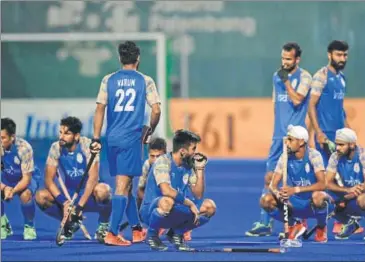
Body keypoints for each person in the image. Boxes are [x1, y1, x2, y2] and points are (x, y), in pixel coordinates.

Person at [91, 41, 161, 246]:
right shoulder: (145, 80)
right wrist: (150, 129)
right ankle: (111, 233)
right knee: (122, 186)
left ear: (120, 59)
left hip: (112, 138)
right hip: (131, 138)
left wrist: (96, 137)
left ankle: (137, 229)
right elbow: (156, 110)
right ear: (138, 59)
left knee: (126, 183)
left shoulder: (108, 79)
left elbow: (99, 109)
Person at [246, 42, 312, 236]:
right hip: (279, 137)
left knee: (295, 181)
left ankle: (299, 222)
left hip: (296, 138)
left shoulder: (305, 77)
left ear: (297, 59)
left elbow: (297, 100)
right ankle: (265, 223)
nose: (284, 62)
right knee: (269, 178)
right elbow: (276, 105)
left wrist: (286, 82)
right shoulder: (277, 76)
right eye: (283, 58)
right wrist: (278, 131)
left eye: (288, 59)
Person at [35, 117, 112, 243]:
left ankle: (103, 224)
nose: (62, 137)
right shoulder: (56, 148)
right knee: (40, 196)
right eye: (60, 132)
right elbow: (48, 180)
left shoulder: (88, 146)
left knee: (104, 191)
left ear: (76, 136)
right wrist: (64, 202)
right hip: (69, 194)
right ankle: (69, 222)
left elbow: (92, 179)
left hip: (90, 195)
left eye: (66, 133)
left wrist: (79, 207)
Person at [140, 130, 216, 251]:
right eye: (193, 149)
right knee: (167, 201)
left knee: (209, 207)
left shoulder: (188, 166)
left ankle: (176, 234)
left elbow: (198, 194)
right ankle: (152, 235)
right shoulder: (163, 162)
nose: (195, 153)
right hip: (152, 210)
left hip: (174, 209)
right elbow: (166, 190)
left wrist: (200, 169)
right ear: (182, 151)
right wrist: (190, 204)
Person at [261, 125, 330, 243]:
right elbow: (273, 185)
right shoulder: (285, 157)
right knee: (266, 200)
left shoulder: (314, 155)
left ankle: (321, 227)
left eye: (290, 140)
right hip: (295, 203)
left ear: (301, 142)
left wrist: (295, 190)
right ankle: (295, 224)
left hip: (313, 203)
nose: (287, 143)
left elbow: (323, 184)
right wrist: (279, 195)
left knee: (318, 196)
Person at [308, 40, 350, 167]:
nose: (342, 58)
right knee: (327, 177)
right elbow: (311, 105)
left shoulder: (342, 78)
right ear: (329, 55)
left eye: (345, 55)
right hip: (326, 135)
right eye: (338, 55)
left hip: (340, 136)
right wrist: (318, 133)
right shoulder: (321, 76)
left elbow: (339, 107)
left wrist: (348, 129)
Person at [1, 118, 40, 240]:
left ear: (12, 137)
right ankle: (3, 222)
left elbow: (26, 179)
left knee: (25, 195)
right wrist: (5, 188)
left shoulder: (24, 149)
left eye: (2, 138)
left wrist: (12, 191)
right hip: (8, 178)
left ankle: (29, 225)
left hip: (27, 177)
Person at [325, 128, 365, 239]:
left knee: (363, 200)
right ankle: (350, 224)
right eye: (337, 144)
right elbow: (327, 183)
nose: (337, 148)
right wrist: (346, 191)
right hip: (347, 193)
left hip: (359, 195)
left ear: (352, 145)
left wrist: (354, 192)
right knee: (324, 199)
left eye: (341, 145)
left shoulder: (362, 155)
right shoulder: (335, 157)